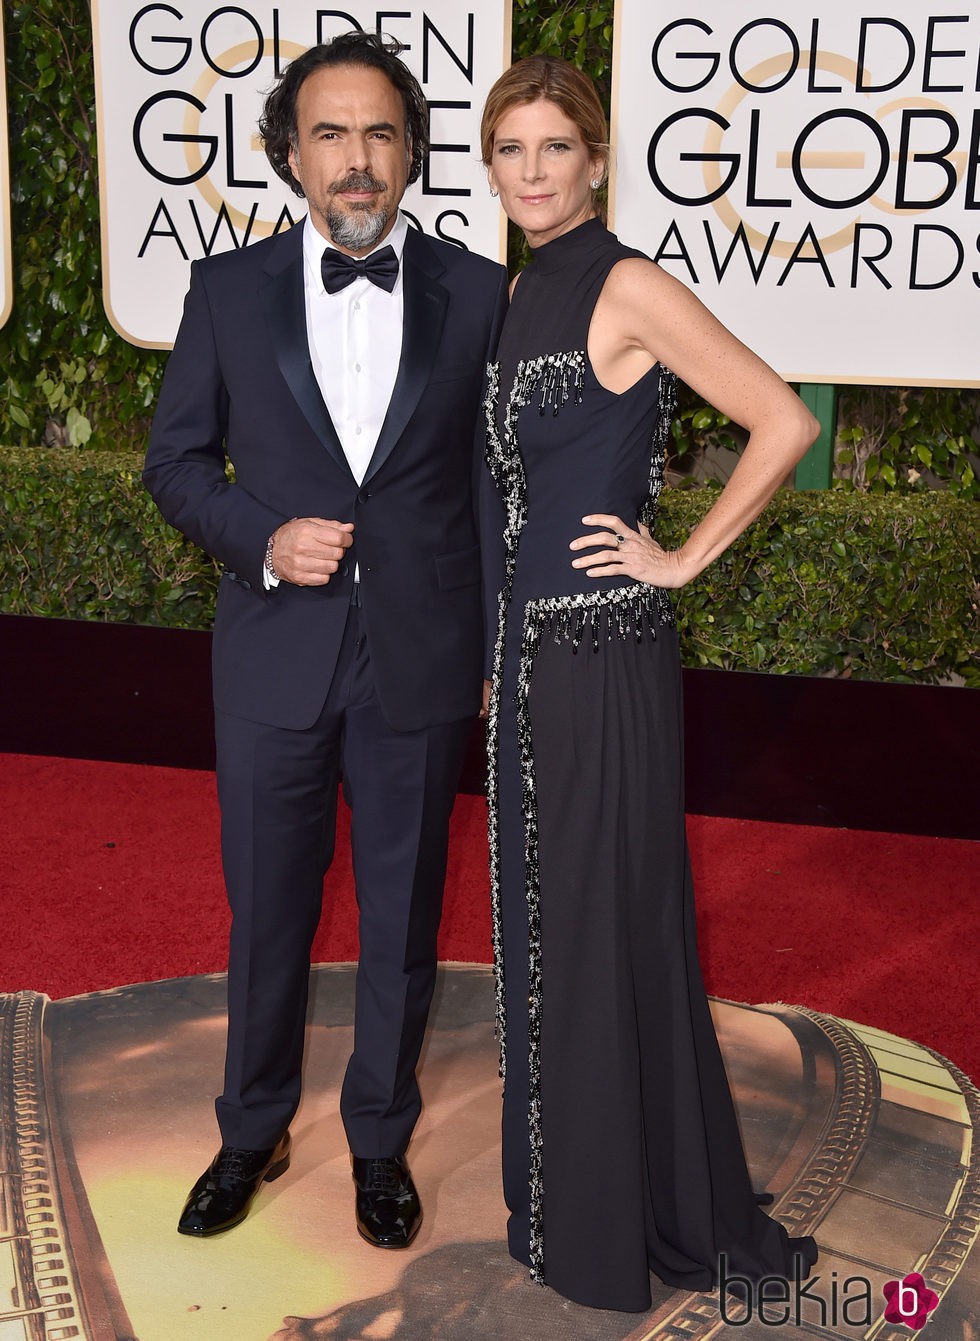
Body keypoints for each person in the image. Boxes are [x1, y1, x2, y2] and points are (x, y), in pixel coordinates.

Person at [143, 31, 507, 1250]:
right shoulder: (225, 290)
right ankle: (249, 1131)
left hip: (420, 652)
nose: (357, 160)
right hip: (273, 646)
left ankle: (377, 1140)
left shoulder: (477, 292)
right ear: (287, 153)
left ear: (409, 151)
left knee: (404, 915)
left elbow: (492, 488)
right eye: (330, 134)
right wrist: (260, 535)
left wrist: (498, 648)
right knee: (267, 915)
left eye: (380, 133)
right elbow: (176, 463)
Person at [478, 56, 820, 1312]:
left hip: (599, 657)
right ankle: (575, 1202)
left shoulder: (627, 283)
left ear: (597, 158)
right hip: (524, 666)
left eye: (552, 148)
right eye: (509, 149)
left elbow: (781, 421)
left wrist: (676, 559)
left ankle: (629, 1216)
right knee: (544, 937)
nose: (529, 171)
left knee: (600, 926)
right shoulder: (522, 290)